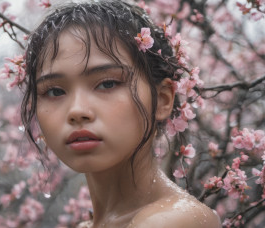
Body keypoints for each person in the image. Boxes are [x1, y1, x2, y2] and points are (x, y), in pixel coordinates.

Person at [20, 1, 221, 227]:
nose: (77, 110)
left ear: (163, 99)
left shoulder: (174, 221)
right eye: (55, 91)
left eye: (107, 84)